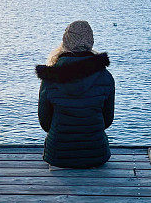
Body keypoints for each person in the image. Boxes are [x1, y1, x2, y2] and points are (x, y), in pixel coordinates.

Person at [35, 20, 115, 168]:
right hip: (96, 155)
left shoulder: (50, 77)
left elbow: (45, 123)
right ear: (91, 42)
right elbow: (107, 120)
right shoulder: (105, 77)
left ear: (65, 42)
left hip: (58, 156)